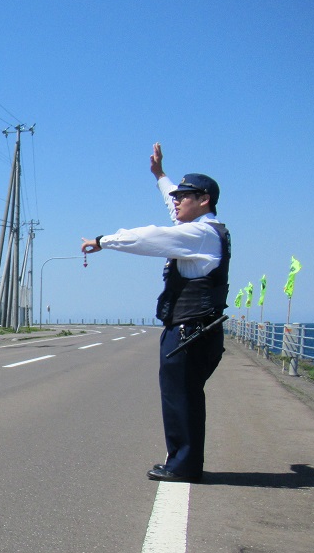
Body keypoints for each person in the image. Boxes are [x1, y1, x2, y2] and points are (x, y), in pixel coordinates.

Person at [81, 143, 230, 483]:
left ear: (203, 199)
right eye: (176, 196)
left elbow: (150, 236)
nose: (176, 201)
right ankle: (183, 461)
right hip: (196, 331)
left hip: (190, 332)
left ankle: (183, 466)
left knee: (181, 398)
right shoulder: (205, 229)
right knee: (184, 396)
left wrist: (104, 241)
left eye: (184, 196)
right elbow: (171, 208)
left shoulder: (200, 234)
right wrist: (161, 176)